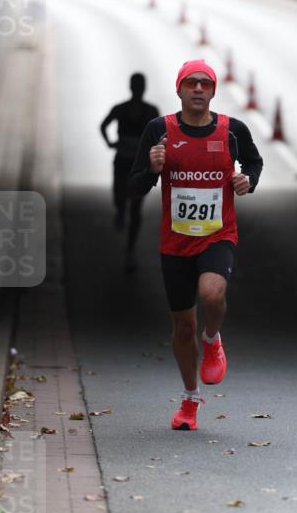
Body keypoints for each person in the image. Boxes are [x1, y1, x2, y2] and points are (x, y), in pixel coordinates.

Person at [129, 60, 263, 431]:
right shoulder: (159, 131)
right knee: (182, 326)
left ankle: (213, 338)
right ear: (179, 90)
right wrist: (153, 170)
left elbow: (253, 162)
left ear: (214, 90)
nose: (199, 89)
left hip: (218, 235)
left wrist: (247, 180)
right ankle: (190, 400)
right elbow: (135, 186)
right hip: (175, 243)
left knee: (212, 293)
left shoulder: (233, 130)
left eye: (206, 83)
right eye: (192, 83)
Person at [100, 74, 159, 271]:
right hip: (124, 161)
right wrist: (110, 142)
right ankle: (119, 210)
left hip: (139, 165)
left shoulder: (149, 111)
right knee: (119, 195)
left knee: (135, 207)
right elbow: (103, 125)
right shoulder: (123, 109)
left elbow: (162, 134)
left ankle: (130, 249)